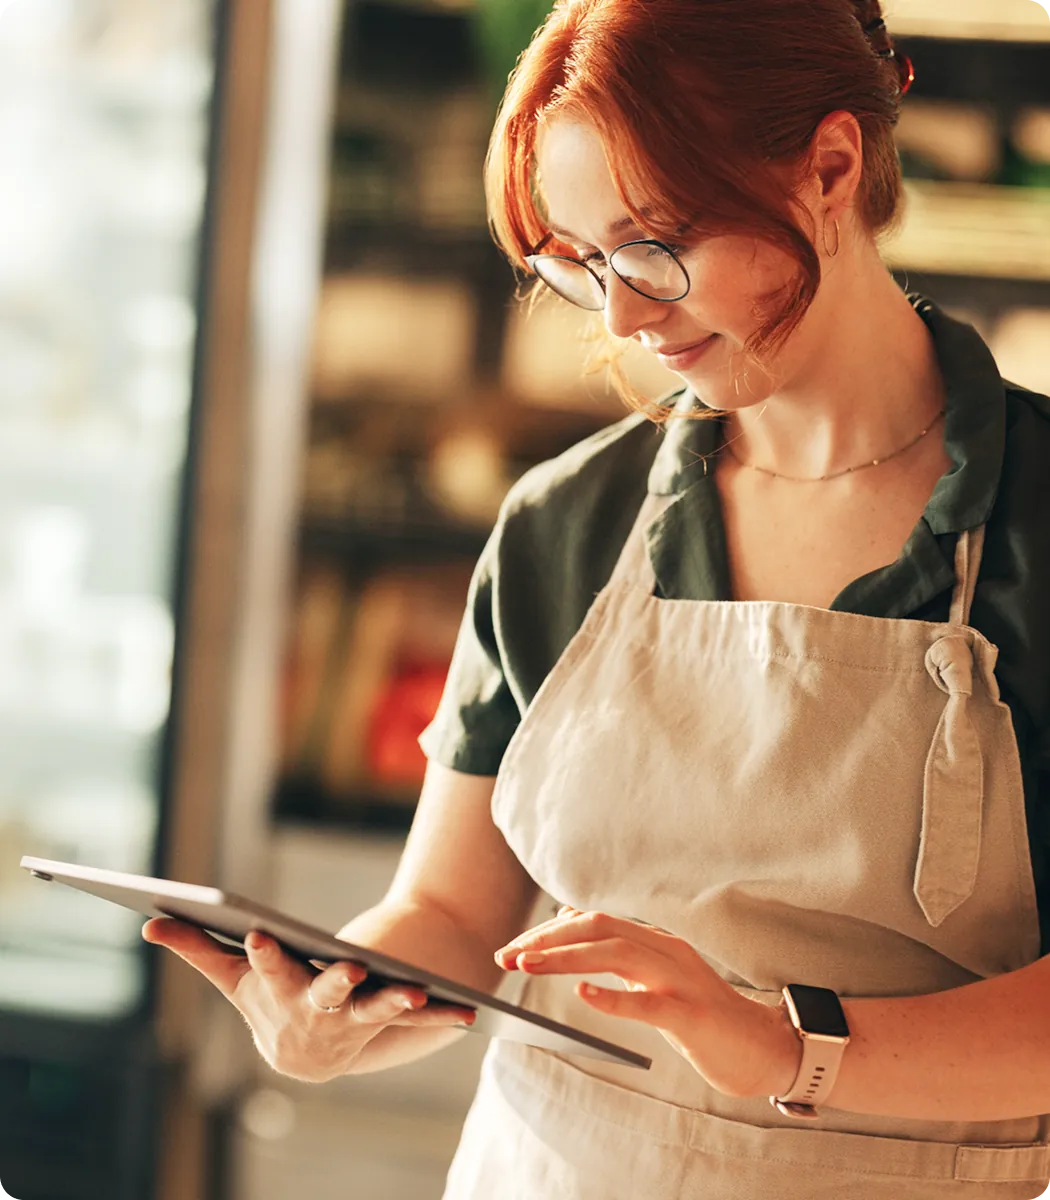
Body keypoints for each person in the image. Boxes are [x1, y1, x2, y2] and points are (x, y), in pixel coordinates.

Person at [144, 0, 1050, 1195]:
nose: (622, 316)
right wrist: (335, 999)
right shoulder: (563, 526)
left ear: (831, 166)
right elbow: (451, 914)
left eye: (656, 244)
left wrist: (785, 1046)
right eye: (579, 262)